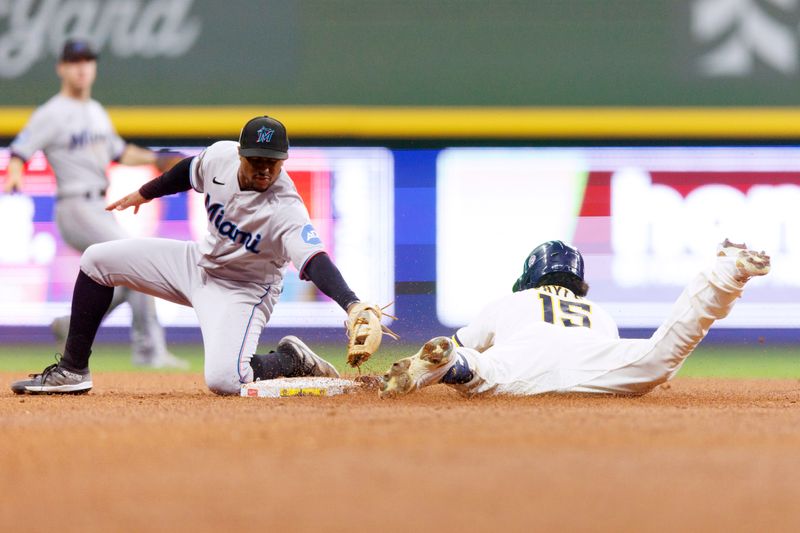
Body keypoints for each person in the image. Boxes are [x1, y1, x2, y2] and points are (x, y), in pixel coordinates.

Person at [10, 114, 376, 396]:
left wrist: (352, 304)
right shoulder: (220, 157)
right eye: (256, 159)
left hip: (243, 290)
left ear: (284, 160)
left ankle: (290, 360)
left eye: (273, 161)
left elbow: (315, 260)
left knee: (227, 380)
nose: (264, 168)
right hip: (195, 264)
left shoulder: (285, 208)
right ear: (240, 154)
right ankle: (73, 371)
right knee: (95, 261)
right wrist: (146, 192)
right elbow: (187, 171)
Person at [380, 239, 771, 398]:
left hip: (525, 356)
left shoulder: (514, 300)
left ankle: (452, 366)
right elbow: (594, 351)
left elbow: (470, 337)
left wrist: (447, 355)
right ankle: (724, 275)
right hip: (597, 363)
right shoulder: (597, 311)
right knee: (661, 354)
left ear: (530, 277)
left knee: (482, 368)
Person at [3, 38, 186, 369]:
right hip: (74, 204)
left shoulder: (96, 112)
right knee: (137, 261)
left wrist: (157, 160)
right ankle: (149, 351)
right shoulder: (52, 113)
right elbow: (21, 149)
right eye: (74, 61)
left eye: (87, 60)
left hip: (97, 205)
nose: (82, 67)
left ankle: (71, 324)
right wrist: (15, 171)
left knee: (129, 273)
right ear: (61, 67)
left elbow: (120, 152)